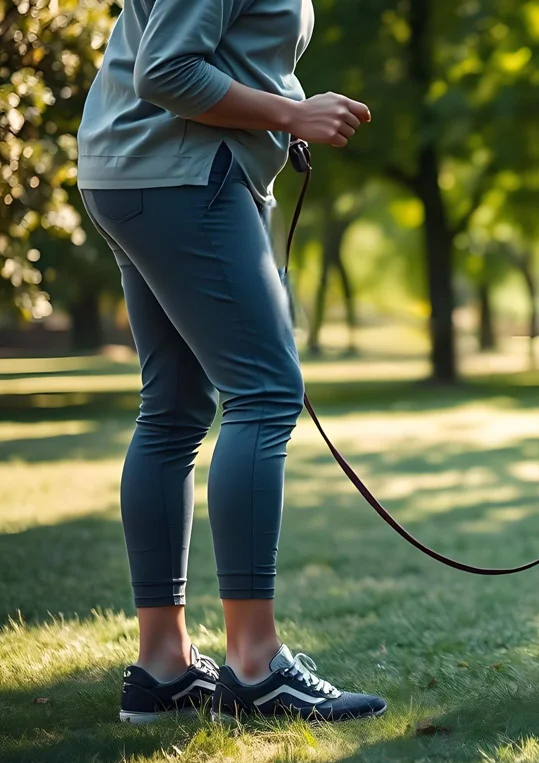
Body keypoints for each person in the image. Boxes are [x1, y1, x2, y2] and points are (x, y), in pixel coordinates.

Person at [77, 0, 383, 723]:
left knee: (175, 408)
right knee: (266, 395)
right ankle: (254, 665)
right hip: (180, 176)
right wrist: (287, 115)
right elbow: (167, 69)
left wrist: (279, 117)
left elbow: (211, 52)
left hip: (147, 171)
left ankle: (164, 667)